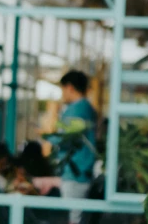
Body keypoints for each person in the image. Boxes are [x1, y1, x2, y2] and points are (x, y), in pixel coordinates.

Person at [45, 70, 97, 224]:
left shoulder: (75, 109)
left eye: (62, 89)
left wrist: (48, 135)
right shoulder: (88, 108)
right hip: (83, 170)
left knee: (73, 218)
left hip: (75, 172)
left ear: (69, 87)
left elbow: (64, 138)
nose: (62, 94)